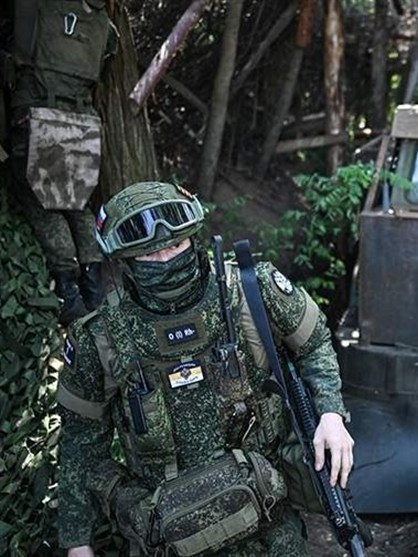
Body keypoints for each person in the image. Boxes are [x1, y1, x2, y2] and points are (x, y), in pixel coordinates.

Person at [56, 181, 355, 556]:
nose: (165, 259)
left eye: (175, 246)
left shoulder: (251, 290)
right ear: (125, 260)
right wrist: (77, 542)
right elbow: (81, 441)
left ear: (193, 238)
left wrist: (330, 413)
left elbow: (313, 342)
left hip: (269, 526)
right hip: (169, 535)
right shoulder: (99, 338)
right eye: (150, 254)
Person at [6, 0, 115, 325]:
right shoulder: (104, 23)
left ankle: (69, 293)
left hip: (39, 114)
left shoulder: (34, 5)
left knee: (41, 204)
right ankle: (94, 291)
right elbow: (105, 64)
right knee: (79, 206)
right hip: (83, 120)